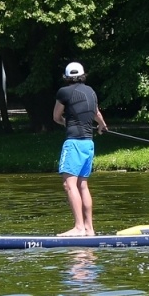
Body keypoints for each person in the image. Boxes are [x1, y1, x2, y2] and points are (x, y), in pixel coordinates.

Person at [51, 62, 107, 237]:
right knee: (82, 185)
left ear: (66, 77)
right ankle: (89, 229)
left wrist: (65, 122)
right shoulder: (91, 91)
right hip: (88, 144)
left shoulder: (63, 92)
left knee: (69, 184)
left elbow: (56, 116)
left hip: (73, 142)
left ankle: (78, 227)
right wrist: (102, 126)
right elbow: (97, 114)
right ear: (83, 75)